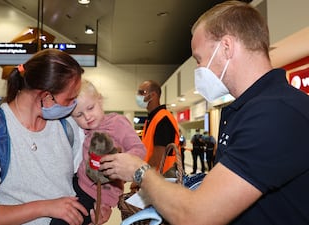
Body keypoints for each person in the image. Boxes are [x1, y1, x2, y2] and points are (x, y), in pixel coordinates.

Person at [99, 1, 309, 224]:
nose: (198, 69)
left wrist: (139, 171)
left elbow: (197, 215)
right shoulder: (247, 109)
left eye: (199, 59)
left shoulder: (275, 114)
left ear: (226, 47)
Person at [0, 49, 109, 225]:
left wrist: (99, 203)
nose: (73, 106)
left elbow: (83, 177)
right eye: (69, 99)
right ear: (46, 96)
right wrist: (45, 207)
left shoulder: (67, 125)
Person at [50, 79, 146, 225]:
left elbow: (139, 149)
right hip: (78, 184)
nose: (87, 117)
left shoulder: (117, 122)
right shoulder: (85, 130)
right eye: (79, 115)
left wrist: (120, 162)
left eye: (90, 108)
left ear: (99, 100)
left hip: (97, 195)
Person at [135, 80, 179, 173]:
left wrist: (141, 176)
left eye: (142, 93)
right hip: (154, 177)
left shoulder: (163, 119)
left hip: (163, 178)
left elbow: (158, 155)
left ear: (153, 95)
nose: (138, 96)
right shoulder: (151, 119)